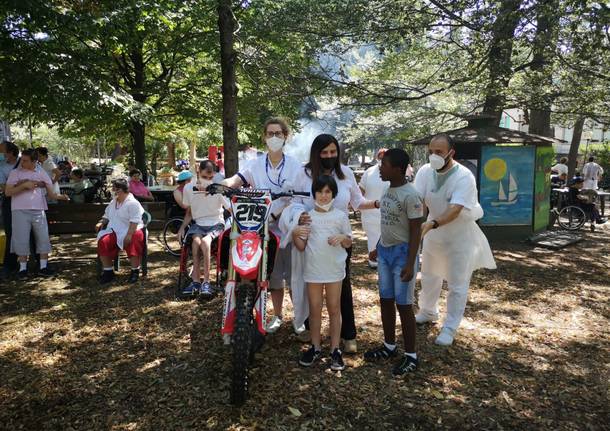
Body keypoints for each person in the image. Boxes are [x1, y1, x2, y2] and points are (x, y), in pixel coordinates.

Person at [290, 134, 379, 353]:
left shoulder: (345, 172)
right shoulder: (304, 173)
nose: (329, 156)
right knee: (312, 286)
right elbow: (295, 202)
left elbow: (357, 202)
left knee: (342, 287)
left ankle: (348, 335)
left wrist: (378, 203)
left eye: (333, 152)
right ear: (316, 153)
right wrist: (299, 217)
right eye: (324, 152)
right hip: (313, 238)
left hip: (339, 238)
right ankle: (313, 332)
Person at [414, 133, 496, 346]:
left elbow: (455, 209)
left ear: (451, 153)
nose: (434, 156)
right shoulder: (425, 171)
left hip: (459, 236)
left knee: (457, 283)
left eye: (439, 152)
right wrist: (415, 223)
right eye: (431, 152)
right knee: (430, 275)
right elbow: (418, 201)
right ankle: (427, 311)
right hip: (432, 234)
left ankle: (450, 326)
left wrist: (432, 224)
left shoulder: (464, 176)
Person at [222, 117, 302, 334]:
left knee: (294, 274)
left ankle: (300, 317)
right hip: (260, 227)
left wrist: (279, 212)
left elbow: (297, 197)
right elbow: (236, 179)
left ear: (285, 136)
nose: (274, 138)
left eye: (278, 133)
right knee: (272, 274)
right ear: (264, 137)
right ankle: (276, 315)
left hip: (286, 226)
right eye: (270, 134)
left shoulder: (295, 165)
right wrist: (222, 184)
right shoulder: (255, 163)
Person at [364, 149, 423, 375]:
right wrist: (378, 246)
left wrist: (410, 263)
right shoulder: (389, 190)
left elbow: (416, 231)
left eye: (385, 164)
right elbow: (389, 223)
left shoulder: (411, 196)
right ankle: (389, 346)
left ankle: (411, 355)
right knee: (385, 299)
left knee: (404, 304)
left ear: (397, 169)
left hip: (403, 255)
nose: (380, 168)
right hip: (386, 253)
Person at [293, 175, 352, 371]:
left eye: (328, 191)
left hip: (334, 270)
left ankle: (335, 349)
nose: (324, 196)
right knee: (315, 309)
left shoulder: (340, 216)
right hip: (314, 271)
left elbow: (349, 241)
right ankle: (315, 347)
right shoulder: (308, 217)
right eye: (320, 191)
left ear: (333, 193)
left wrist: (342, 237)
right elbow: (301, 246)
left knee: (334, 308)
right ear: (314, 194)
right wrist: (294, 234)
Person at [4, 149, 69, 278]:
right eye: (22, 159)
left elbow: (51, 194)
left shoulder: (41, 172)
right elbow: (8, 192)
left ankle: (43, 267)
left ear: (34, 161)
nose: (22, 162)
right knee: (21, 238)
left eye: (25, 160)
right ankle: (23, 269)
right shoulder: (15, 173)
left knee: (42, 237)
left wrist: (62, 197)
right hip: (19, 210)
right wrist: (23, 186)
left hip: (38, 210)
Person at [177, 161, 229, 298]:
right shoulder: (188, 188)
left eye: (211, 178)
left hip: (216, 223)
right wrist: (182, 228)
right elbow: (189, 212)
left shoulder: (218, 188)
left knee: (205, 242)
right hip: (198, 223)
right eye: (205, 177)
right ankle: (196, 281)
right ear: (198, 172)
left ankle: (206, 281)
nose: (208, 181)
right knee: (196, 243)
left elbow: (229, 208)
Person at [96, 178, 145, 284]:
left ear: (120, 190)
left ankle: (135, 271)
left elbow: (134, 221)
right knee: (103, 241)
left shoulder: (132, 203)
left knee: (134, 240)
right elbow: (107, 216)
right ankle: (108, 271)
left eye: (114, 189)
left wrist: (129, 234)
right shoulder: (114, 201)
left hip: (132, 229)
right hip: (115, 229)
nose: (113, 191)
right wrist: (101, 222)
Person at [359, 148, 389, 268]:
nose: (382, 161)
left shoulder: (393, 171)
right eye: (380, 158)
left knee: (386, 238)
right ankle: (374, 261)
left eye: (384, 158)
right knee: (372, 237)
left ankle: (385, 261)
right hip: (370, 213)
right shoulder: (369, 172)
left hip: (387, 213)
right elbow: (360, 190)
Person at [0, 141, 21, 276]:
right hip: (9, 202)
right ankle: (10, 264)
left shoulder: (24, 162)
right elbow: (4, 188)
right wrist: (22, 185)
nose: (1, 155)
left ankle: (40, 263)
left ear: (11, 152)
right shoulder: (1, 167)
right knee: (10, 233)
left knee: (31, 232)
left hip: (27, 202)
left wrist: (13, 187)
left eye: (2, 152)